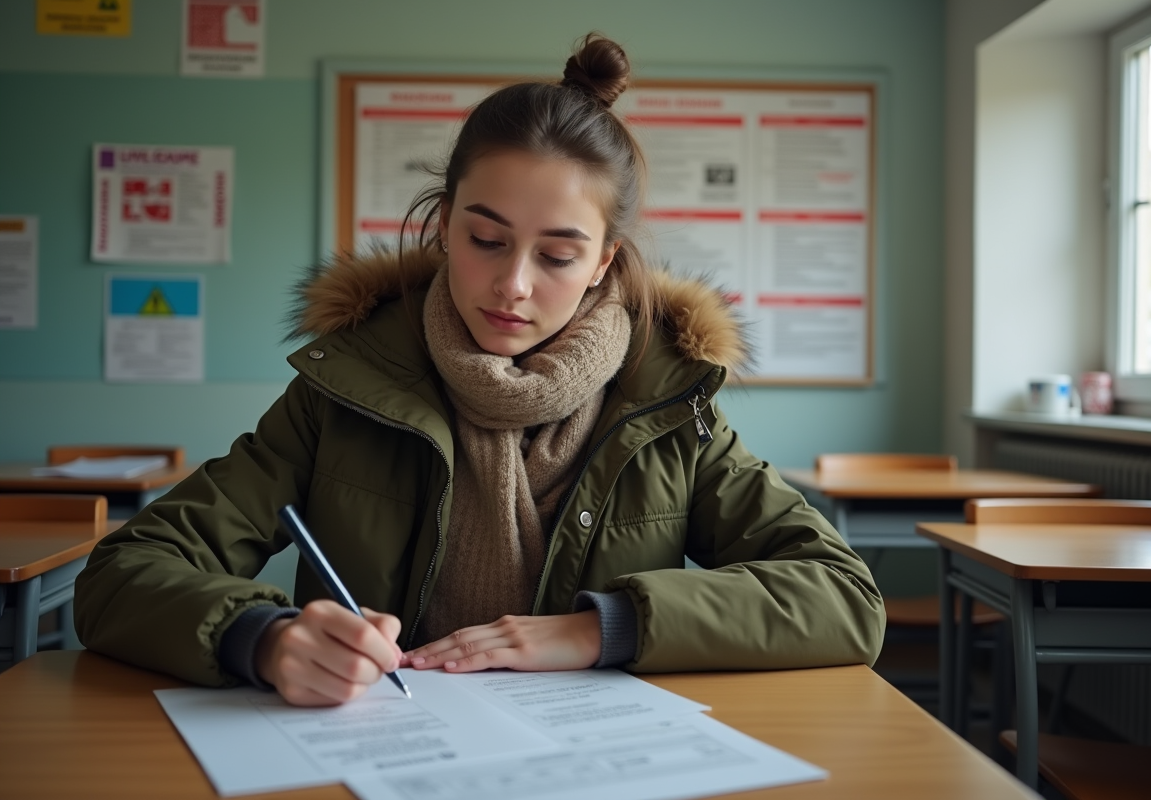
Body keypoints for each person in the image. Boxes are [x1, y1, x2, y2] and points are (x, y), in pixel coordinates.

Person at [75, 33, 885, 707]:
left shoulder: (667, 405)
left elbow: (843, 598)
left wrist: (600, 627)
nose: (513, 285)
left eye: (559, 254)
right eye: (485, 239)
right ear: (442, 225)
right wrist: (264, 637)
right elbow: (120, 575)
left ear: (603, 263)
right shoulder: (344, 389)